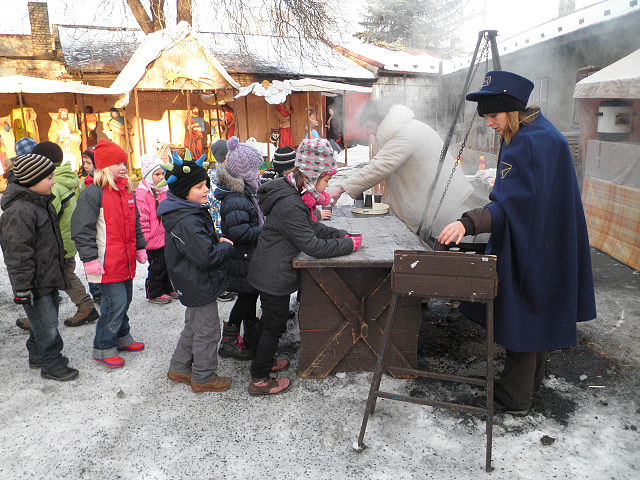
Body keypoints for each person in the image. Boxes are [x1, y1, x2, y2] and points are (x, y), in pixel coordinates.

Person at [438, 71, 597, 415]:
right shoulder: (536, 132)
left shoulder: (531, 142)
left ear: (510, 110)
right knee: (538, 312)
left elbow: (516, 208)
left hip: (536, 244)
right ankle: (528, 388)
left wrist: (468, 223)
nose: (489, 123)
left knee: (524, 314)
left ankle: (513, 400)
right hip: (547, 241)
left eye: (493, 115)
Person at [246, 138, 361, 395]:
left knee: (269, 321)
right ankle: (259, 379)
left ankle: (261, 361)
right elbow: (313, 246)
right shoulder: (291, 203)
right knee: (274, 325)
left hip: (271, 268)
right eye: (326, 180)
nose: (327, 185)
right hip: (273, 273)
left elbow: (311, 227)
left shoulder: (296, 194)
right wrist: (348, 245)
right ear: (312, 175)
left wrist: (339, 234)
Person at [329, 101, 483, 243]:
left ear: (380, 120)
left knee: (448, 248)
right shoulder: (408, 128)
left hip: (446, 204)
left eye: (370, 127)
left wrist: (342, 189)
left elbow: (378, 167)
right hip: (440, 202)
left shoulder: (405, 134)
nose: (370, 132)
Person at [157, 154, 235, 393]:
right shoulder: (186, 220)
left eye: (205, 185)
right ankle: (203, 376)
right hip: (197, 282)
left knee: (193, 327)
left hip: (191, 280)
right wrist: (225, 247)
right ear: (184, 191)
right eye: (199, 187)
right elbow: (206, 257)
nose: (206, 190)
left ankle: (179, 367)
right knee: (208, 331)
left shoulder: (188, 210)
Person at [0, 153, 79, 381]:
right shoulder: (20, 211)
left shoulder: (40, 202)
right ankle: (51, 364)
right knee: (48, 325)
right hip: (34, 281)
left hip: (48, 275)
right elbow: (17, 254)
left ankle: (37, 354)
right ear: (32, 181)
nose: (54, 181)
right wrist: (22, 288)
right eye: (49, 178)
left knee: (42, 321)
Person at [71, 139, 147, 368]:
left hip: (124, 259)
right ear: (104, 167)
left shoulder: (126, 190)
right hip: (105, 262)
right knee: (115, 304)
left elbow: (134, 223)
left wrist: (140, 246)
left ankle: (122, 336)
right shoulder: (93, 194)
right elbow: (82, 229)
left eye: (124, 163)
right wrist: (90, 260)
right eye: (117, 164)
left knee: (125, 300)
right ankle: (103, 346)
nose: (123, 168)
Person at [32, 141, 99, 327]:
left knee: (60, 276)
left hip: (58, 241)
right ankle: (40, 315)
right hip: (67, 238)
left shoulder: (53, 185)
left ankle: (85, 306)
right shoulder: (65, 178)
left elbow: (46, 215)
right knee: (60, 275)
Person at [214, 137, 264, 360]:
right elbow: (239, 233)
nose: (259, 173)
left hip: (248, 256)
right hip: (241, 256)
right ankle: (229, 341)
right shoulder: (236, 198)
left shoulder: (247, 191)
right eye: (256, 168)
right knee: (246, 297)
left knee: (250, 296)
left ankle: (251, 336)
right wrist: (266, 229)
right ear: (245, 171)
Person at [134, 153, 178, 304]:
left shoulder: (164, 190)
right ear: (148, 175)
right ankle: (154, 291)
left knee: (167, 264)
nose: (161, 177)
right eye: (157, 174)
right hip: (152, 239)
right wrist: (145, 239)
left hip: (164, 236)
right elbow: (142, 219)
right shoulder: (143, 194)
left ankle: (167, 287)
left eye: (162, 174)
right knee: (157, 267)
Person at [207, 139, 237, 303]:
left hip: (229, 220)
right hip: (218, 223)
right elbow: (213, 200)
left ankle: (231, 283)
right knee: (221, 258)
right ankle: (221, 289)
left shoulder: (231, 173)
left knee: (231, 255)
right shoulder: (214, 175)